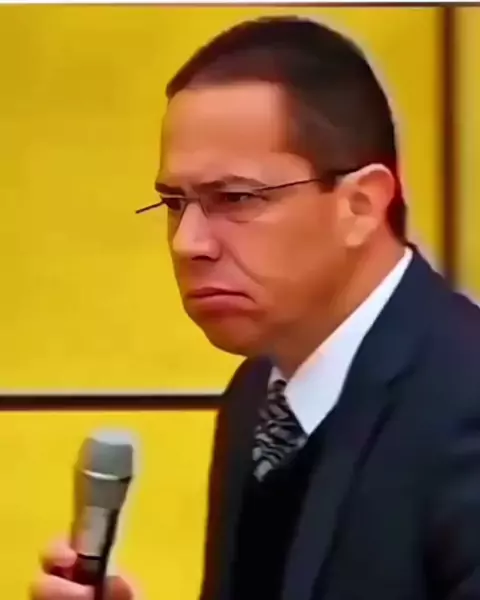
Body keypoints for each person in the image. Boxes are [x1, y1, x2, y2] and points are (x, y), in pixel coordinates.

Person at [30, 14, 480, 600]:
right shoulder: (256, 395)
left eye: (236, 198)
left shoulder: (464, 399)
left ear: (362, 205)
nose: (188, 243)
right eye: (174, 203)